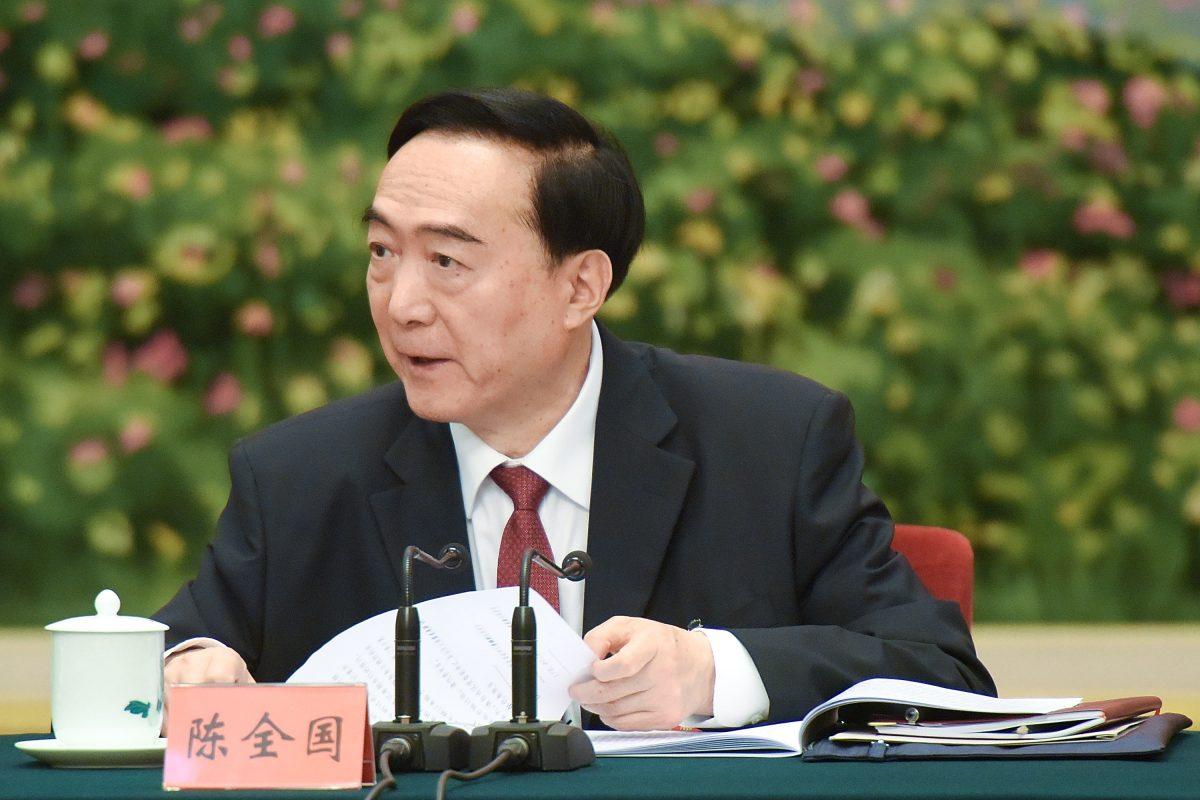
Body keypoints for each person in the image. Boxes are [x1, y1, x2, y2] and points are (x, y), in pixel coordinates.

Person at [155, 88, 994, 731]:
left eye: (447, 260)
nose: (401, 303)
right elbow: (157, 660)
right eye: (382, 252)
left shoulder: (771, 442)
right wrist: (193, 670)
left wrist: (714, 672)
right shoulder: (297, 476)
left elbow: (941, 673)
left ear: (581, 285)